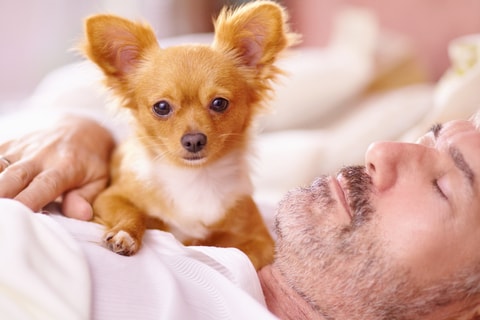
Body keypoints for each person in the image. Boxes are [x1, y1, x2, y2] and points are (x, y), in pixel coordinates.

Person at [2, 104, 480, 319]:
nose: (380, 151)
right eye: (426, 140)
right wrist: (82, 133)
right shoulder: (286, 233)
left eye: (443, 185)